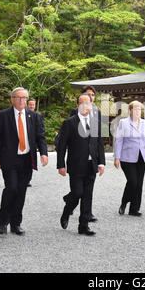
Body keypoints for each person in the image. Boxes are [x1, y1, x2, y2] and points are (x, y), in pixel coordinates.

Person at [0, 88, 48, 236]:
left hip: (26, 159)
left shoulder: (34, 116)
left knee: (21, 191)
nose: (21, 101)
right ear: (12, 99)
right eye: (18, 98)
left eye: (24, 98)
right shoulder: (4, 115)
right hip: (9, 159)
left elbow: (40, 136)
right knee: (11, 188)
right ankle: (3, 221)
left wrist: (44, 153)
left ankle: (16, 223)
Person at [57, 93, 105, 236]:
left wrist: (101, 162)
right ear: (78, 105)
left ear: (91, 105)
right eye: (82, 103)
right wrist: (60, 165)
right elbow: (62, 146)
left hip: (92, 165)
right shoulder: (69, 123)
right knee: (77, 192)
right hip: (76, 165)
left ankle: (83, 226)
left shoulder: (95, 123)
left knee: (87, 196)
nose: (85, 106)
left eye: (87, 103)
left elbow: (99, 144)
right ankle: (66, 211)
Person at [64, 85, 101, 222]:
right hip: (78, 158)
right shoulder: (75, 112)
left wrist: (100, 159)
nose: (91, 96)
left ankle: (87, 215)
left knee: (88, 191)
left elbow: (98, 139)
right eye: (88, 94)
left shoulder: (96, 112)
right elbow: (69, 134)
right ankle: (70, 201)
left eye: (92, 95)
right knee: (78, 191)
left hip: (92, 158)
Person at [114, 101, 145, 217]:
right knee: (133, 182)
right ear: (130, 110)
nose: (138, 111)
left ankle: (134, 209)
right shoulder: (123, 123)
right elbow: (119, 140)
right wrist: (117, 157)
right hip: (127, 158)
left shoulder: (144, 123)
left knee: (139, 184)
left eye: (140, 109)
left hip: (141, 157)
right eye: (136, 109)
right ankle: (124, 202)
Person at [26, 98, 45, 187]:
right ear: (27, 105)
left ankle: (28, 180)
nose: (32, 106)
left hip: (32, 144)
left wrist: (42, 151)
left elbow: (41, 133)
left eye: (33, 105)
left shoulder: (38, 116)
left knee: (31, 163)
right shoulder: (22, 114)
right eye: (30, 104)